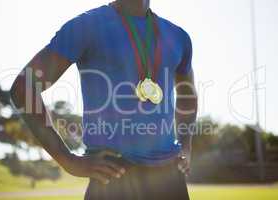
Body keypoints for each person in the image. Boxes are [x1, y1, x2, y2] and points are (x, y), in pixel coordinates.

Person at [10, 0, 198, 199]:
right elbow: (24, 87)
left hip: (169, 179)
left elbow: (187, 94)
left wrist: (186, 143)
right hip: (112, 177)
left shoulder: (178, 37)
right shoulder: (87, 26)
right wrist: (68, 160)